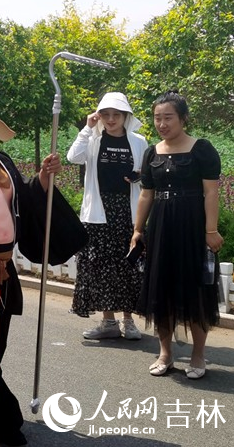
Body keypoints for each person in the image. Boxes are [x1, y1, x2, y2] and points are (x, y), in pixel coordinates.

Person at [0, 87, 87, 446]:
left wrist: (42, 178)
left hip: (4, 272)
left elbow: (22, 199)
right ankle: (4, 419)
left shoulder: (3, 159)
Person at [131, 91, 223, 379]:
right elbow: (146, 194)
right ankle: (165, 353)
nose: (162, 123)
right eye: (157, 118)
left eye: (168, 117)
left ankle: (197, 356)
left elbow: (211, 192)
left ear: (183, 118)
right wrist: (137, 230)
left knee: (195, 289)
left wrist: (210, 230)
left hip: (192, 226)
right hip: (161, 227)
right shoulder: (151, 152)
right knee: (162, 288)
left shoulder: (202, 150)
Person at [66, 92, 148, 340]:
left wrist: (139, 176)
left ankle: (128, 320)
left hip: (128, 211)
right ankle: (108, 322)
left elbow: (148, 174)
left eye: (117, 115)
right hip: (99, 214)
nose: (111, 119)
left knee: (129, 265)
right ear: (99, 116)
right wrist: (88, 129)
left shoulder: (139, 141)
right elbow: (73, 157)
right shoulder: (94, 139)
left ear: (126, 116)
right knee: (101, 267)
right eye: (106, 115)